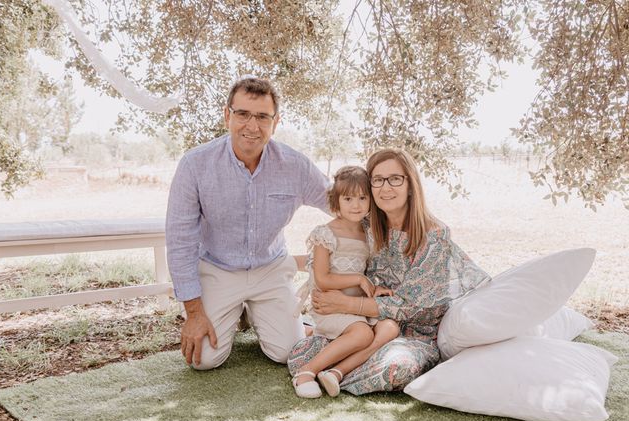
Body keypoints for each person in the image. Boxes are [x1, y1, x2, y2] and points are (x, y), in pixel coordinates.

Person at [288, 147, 490, 395]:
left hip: (413, 331)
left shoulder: (434, 236)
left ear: (410, 184)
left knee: (395, 367)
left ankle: (335, 371)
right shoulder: (366, 225)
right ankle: (323, 368)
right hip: (367, 322)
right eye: (378, 180)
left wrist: (345, 304)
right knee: (300, 352)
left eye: (395, 179)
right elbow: (332, 257)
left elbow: (411, 306)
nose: (386, 188)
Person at [166, 76, 330, 370]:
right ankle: (237, 310)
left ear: (275, 122)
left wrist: (396, 216)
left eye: (262, 117)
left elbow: (340, 202)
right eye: (243, 114)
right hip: (218, 268)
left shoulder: (296, 166)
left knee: (288, 353)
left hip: (270, 269)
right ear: (228, 115)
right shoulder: (195, 165)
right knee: (203, 359)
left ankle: (264, 313)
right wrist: (193, 313)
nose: (252, 126)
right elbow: (180, 241)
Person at [292, 166, 399, 398]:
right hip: (329, 308)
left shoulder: (367, 234)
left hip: (355, 307)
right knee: (362, 334)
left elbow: (367, 273)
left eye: (362, 198)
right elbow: (322, 279)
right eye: (348, 198)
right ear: (336, 201)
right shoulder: (325, 234)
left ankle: (335, 373)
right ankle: (306, 372)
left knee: (390, 327)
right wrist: (358, 279)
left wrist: (373, 286)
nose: (356, 205)